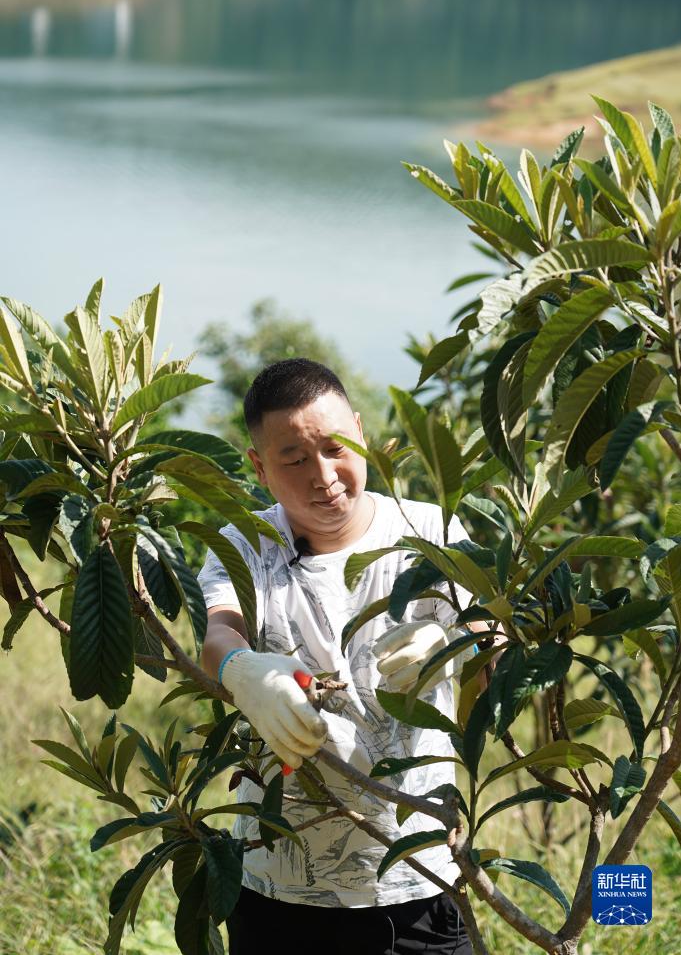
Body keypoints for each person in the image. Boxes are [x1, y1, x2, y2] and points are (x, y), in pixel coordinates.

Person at [198, 358, 494, 954]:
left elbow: (494, 637)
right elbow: (220, 633)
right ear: (259, 467)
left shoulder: (429, 532)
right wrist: (242, 670)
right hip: (278, 883)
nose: (324, 475)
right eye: (294, 460)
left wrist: (455, 646)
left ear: (360, 430)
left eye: (336, 448)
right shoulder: (245, 543)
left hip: (416, 876)